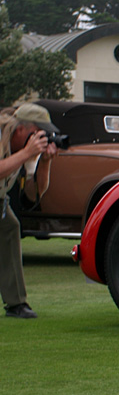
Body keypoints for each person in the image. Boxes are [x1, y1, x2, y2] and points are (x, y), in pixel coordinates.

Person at [0, 103, 58, 318]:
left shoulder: (23, 149)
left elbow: (34, 196)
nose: (40, 138)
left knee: (10, 227)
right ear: (21, 129)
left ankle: (16, 304)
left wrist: (44, 162)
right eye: (36, 132)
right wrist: (26, 153)